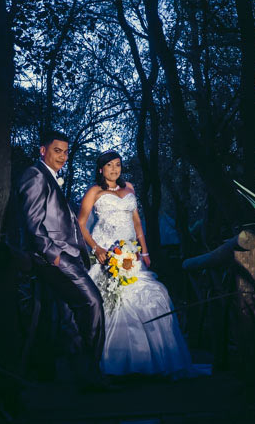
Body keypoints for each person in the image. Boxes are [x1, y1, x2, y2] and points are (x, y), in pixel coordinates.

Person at [77, 149, 196, 377]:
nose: (115, 169)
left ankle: (152, 361)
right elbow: (81, 224)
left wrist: (145, 250)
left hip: (131, 255)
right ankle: (115, 362)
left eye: (118, 164)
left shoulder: (129, 187)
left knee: (155, 295)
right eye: (110, 165)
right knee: (115, 302)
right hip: (107, 255)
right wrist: (96, 248)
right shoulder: (94, 191)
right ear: (101, 169)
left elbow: (137, 223)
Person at [17, 130, 107, 389]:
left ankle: (82, 377)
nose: (63, 156)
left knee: (68, 318)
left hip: (68, 255)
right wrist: (55, 256)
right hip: (53, 257)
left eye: (66, 152)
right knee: (92, 302)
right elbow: (33, 225)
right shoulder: (35, 175)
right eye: (57, 151)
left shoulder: (49, 177)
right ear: (42, 150)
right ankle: (92, 371)